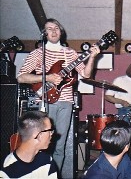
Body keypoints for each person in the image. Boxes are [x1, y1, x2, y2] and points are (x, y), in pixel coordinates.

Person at [17, 18, 100, 173]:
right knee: (40, 143)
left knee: (59, 145)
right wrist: (47, 77)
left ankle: (53, 175)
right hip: (44, 101)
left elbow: (86, 74)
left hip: (66, 102)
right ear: (44, 33)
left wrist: (93, 57)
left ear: (61, 32)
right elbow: (21, 77)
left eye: (56, 28)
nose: (54, 31)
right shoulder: (38, 53)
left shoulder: (71, 53)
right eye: (49, 28)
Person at [0, 111, 58, 178]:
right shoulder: (6, 172)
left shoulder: (47, 160)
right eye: (50, 131)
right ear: (39, 136)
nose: (51, 134)